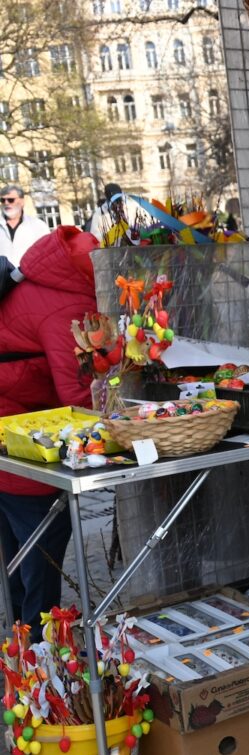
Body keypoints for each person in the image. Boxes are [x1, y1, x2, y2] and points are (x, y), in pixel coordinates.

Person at [0, 227, 100, 625]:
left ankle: (21, 648)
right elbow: (77, 395)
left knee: (16, 552)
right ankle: (44, 653)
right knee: (42, 549)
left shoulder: (42, 280)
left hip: (9, 429)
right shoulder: (68, 305)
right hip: (23, 441)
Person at [0, 185, 50, 267]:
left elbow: (47, 254)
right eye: (2, 200)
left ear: (22, 201)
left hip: (29, 277)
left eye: (11, 200)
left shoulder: (38, 226)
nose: (6, 203)